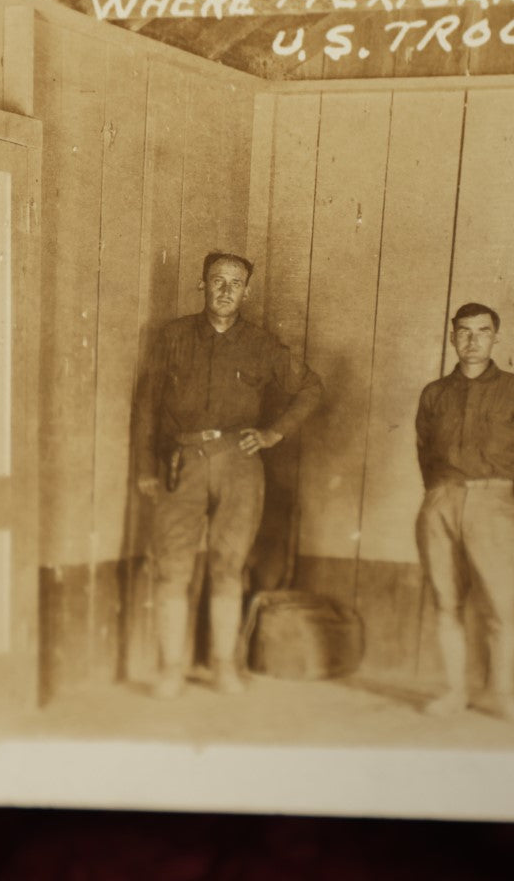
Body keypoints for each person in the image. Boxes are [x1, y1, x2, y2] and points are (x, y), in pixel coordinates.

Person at [133, 251, 322, 698]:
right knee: (172, 567)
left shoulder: (262, 344)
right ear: (202, 284)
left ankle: (223, 666)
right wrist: (145, 468)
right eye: (217, 280)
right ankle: (170, 670)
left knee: (228, 565)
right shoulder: (173, 336)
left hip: (239, 461)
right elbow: (146, 407)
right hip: (183, 462)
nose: (225, 290)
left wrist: (274, 433)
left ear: (246, 291)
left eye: (234, 283)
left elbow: (311, 389)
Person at [414, 303, 514, 721]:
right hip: (442, 501)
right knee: (447, 603)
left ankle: (502, 695)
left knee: (502, 608)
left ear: (495, 337)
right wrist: (439, 497)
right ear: (452, 337)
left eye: (482, 331)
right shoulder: (434, 393)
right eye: (464, 332)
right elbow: (423, 451)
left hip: (495, 503)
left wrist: (501, 498)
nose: (472, 340)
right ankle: (454, 693)